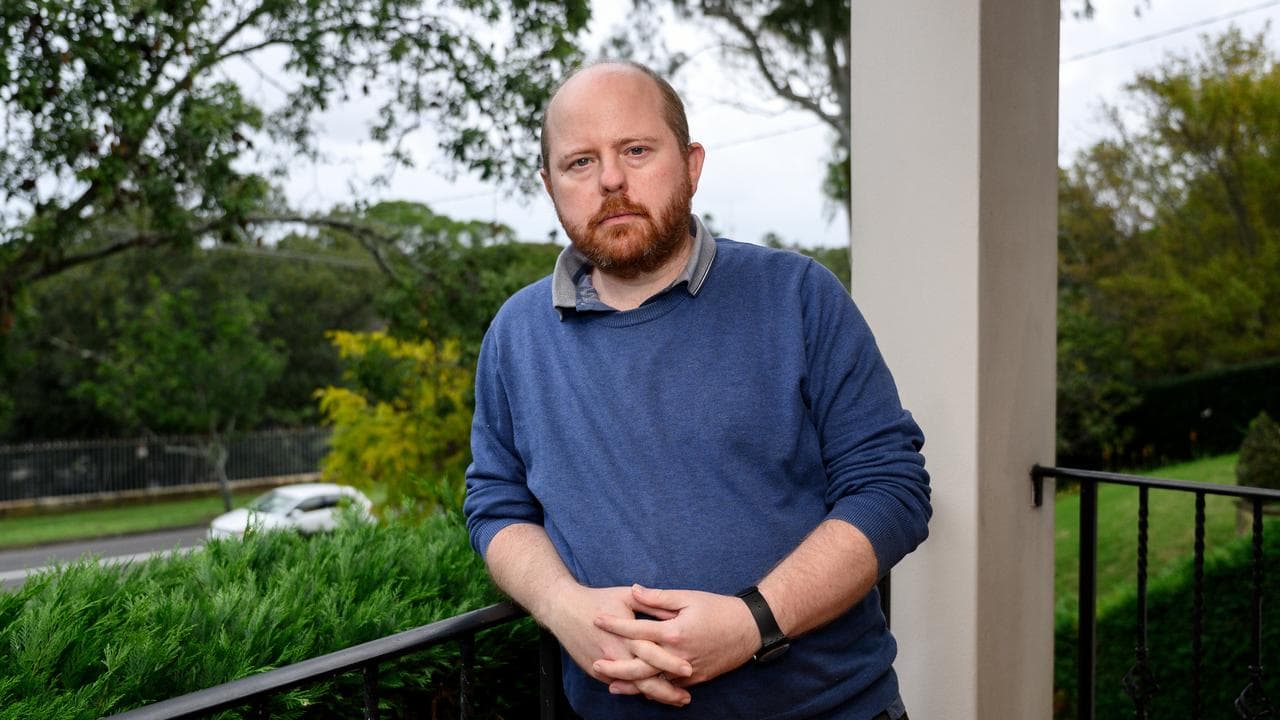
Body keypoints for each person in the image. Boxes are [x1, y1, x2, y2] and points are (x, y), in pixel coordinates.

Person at [463, 60, 931, 720]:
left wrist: (753, 622)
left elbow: (891, 489)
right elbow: (496, 503)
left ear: (691, 164)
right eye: (580, 162)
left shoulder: (798, 296)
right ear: (549, 185)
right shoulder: (516, 334)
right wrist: (561, 605)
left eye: (636, 150)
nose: (611, 180)